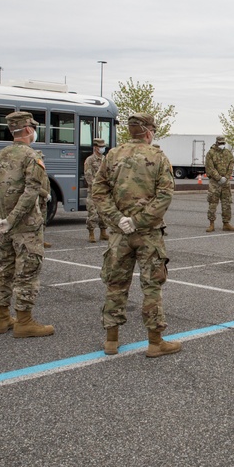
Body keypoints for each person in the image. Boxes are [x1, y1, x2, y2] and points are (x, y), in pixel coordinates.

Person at [91, 113, 180, 357]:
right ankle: (155, 342)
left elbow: (98, 191)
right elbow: (165, 195)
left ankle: (111, 340)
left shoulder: (112, 155)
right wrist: (138, 221)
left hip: (119, 234)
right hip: (148, 234)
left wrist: (118, 219)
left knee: (116, 285)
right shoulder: (158, 156)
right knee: (151, 286)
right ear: (149, 131)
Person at [0, 111, 53, 338]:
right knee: (27, 272)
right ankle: (24, 321)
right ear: (28, 130)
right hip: (26, 227)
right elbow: (32, 191)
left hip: (4, 227)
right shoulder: (31, 156)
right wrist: (12, 219)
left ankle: (2, 319)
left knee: (3, 271)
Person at [205, 135, 234, 232]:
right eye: (220, 143)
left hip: (225, 182)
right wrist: (219, 178)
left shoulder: (228, 153)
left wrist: (226, 177)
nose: (222, 145)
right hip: (215, 182)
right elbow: (210, 167)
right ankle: (211, 224)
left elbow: (231, 165)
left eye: (223, 143)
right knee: (212, 203)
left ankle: (226, 223)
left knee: (227, 203)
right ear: (217, 143)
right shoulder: (211, 153)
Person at [84, 138, 109, 243]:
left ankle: (103, 233)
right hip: (93, 192)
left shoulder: (105, 159)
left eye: (103, 146)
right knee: (92, 213)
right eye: (100, 147)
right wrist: (96, 186)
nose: (103, 148)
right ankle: (91, 233)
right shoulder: (90, 160)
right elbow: (88, 175)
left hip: (104, 192)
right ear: (95, 148)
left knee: (103, 213)